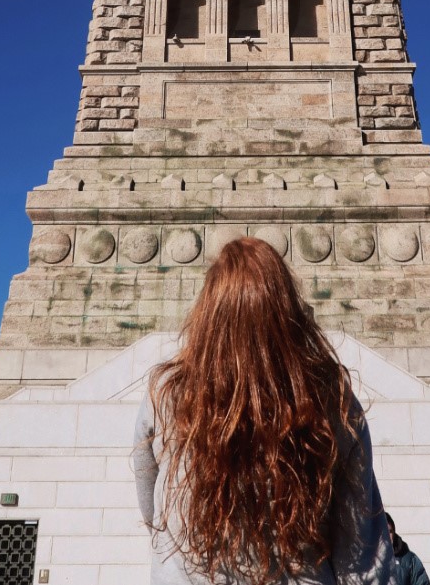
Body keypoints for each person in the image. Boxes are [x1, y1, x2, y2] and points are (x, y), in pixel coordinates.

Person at [133, 236, 397, 583]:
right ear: (288, 309)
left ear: (207, 314)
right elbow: (363, 554)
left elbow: (154, 510)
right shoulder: (331, 400)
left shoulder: (166, 395)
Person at [385, 514, 430, 585]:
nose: (387, 536)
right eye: (383, 532)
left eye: (390, 531)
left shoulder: (410, 560)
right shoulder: (366, 560)